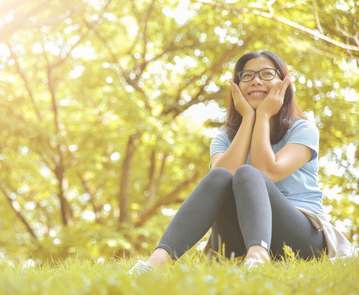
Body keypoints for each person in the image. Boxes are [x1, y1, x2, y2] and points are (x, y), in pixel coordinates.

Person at [128, 50, 353, 277]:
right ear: (236, 87)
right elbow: (220, 181)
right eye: (247, 76)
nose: (255, 80)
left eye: (266, 74)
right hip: (239, 239)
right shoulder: (223, 139)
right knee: (220, 175)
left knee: (248, 173)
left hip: (301, 237)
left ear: (284, 83)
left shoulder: (303, 129)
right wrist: (248, 118)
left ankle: (258, 257)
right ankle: (157, 262)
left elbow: (266, 171)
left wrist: (263, 116)